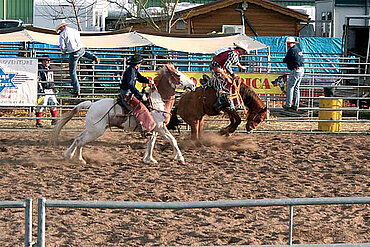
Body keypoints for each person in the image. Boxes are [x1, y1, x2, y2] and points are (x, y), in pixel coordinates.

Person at [56, 20, 100, 97]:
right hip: (81, 48)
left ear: (62, 27)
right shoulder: (74, 30)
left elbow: (62, 47)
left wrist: (63, 51)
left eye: (60, 28)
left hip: (74, 53)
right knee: (83, 53)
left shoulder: (62, 34)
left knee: (72, 72)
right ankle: (92, 56)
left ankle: (76, 89)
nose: (60, 30)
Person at [118, 54, 155, 137]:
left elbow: (140, 78)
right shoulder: (131, 71)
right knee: (140, 107)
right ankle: (143, 128)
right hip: (126, 93)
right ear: (138, 64)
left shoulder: (133, 70)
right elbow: (131, 85)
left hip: (127, 92)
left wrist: (148, 81)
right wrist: (140, 95)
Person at [209, 42, 248, 111]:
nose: (244, 53)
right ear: (240, 49)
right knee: (223, 84)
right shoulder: (234, 54)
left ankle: (231, 103)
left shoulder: (234, 53)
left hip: (218, 67)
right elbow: (227, 66)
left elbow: (235, 61)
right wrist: (233, 75)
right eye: (244, 51)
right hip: (217, 68)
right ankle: (221, 102)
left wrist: (240, 66)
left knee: (229, 82)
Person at [35, 55, 58, 128]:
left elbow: (51, 79)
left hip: (50, 89)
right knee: (41, 105)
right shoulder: (40, 69)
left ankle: (54, 120)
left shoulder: (50, 69)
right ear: (42, 62)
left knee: (53, 104)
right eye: (46, 61)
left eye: (48, 61)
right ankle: (38, 122)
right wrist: (40, 88)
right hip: (44, 89)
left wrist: (53, 88)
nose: (48, 62)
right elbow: (38, 79)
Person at [282, 36, 304, 111]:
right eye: (288, 43)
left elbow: (286, 59)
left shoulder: (291, 51)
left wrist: (285, 60)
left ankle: (288, 104)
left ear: (292, 43)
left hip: (295, 70)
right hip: (301, 70)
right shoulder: (298, 49)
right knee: (296, 87)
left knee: (290, 87)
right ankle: (296, 105)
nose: (288, 45)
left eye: (289, 43)